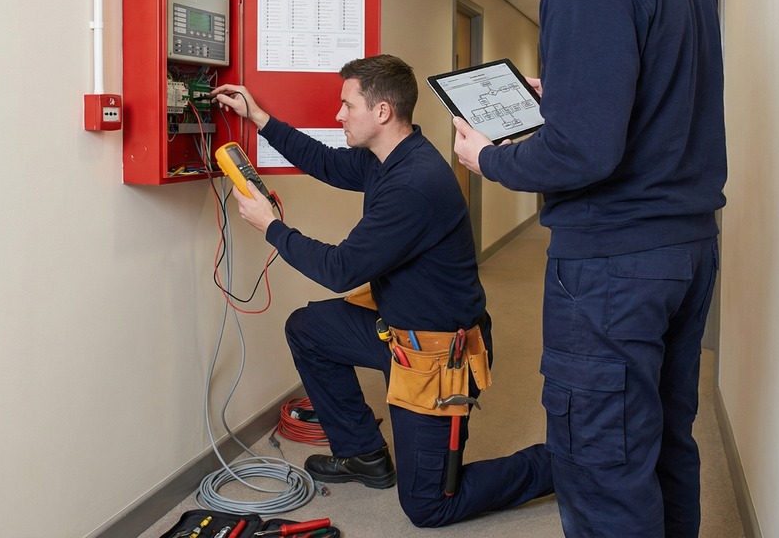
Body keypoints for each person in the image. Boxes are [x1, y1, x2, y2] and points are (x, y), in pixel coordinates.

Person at [453, 0, 728, 538]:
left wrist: (489, 157)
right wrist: (566, 94)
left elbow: (584, 154)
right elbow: (650, 101)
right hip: (685, 251)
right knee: (664, 443)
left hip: (614, 267)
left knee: (603, 461)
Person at [211, 55, 552, 528]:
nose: (338, 115)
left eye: (347, 105)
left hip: (440, 357)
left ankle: (562, 465)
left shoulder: (414, 183)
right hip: (397, 329)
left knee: (429, 505)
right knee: (308, 329)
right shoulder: (388, 157)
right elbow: (326, 163)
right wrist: (260, 118)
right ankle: (362, 454)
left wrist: (272, 228)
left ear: (383, 112)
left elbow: (341, 269)